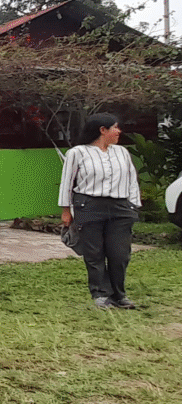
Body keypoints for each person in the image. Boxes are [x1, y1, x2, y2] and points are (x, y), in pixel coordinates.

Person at [58, 113, 142, 310]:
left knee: (120, 253)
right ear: (102, 130)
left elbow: (132, 180)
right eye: (115, 127)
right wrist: (66, 210)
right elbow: (67, 182)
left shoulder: (121, 152)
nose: (119, 131)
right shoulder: (77, 153)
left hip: (120, 207)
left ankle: (119, 295)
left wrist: (133, 205)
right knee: (94, 253)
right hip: (89, 206)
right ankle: (100, 294)